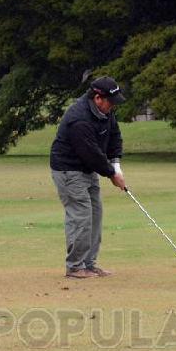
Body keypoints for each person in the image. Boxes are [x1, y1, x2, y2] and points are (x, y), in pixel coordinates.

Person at [49, 76, 127, 279]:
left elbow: (114, 136)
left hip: (88, 169)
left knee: (95, 215)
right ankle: (75, 267)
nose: (112, 107)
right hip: (68, 170)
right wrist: (111, 173)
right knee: (81, 216)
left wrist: (116, 165)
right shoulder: (79, 118)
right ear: (98, 98)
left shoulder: (105, 112)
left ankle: (89, 264)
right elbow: (90, 153)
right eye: (110, 102)